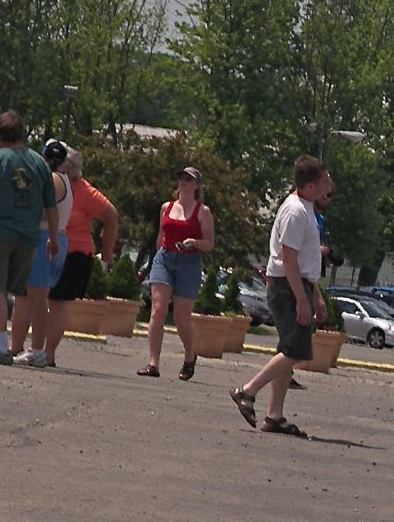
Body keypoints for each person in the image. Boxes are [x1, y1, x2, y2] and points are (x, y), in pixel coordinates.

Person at [230, 157, 329, 437]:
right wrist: (301, 300)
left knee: (286, 350)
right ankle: (247, 391)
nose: (329, 186)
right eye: (325, 181)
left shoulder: (306, 209)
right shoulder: (296, 212)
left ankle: (274, 416)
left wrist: (315, 296)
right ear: (310, 187)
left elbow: (305, 263)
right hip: (287, 288)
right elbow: (289, 259)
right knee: (295, 351)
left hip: (297, 286)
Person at [0, 111, 59, 365]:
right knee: (8, 292)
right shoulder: (40, 164)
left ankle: (0, 346)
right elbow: (51, 207)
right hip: (29, 238)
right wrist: (53, 238)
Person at [35, 144, 119, 368]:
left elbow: (111, 216)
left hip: (75, 253)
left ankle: (48, 353)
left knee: (58, 302)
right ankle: (31, 348)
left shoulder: (84, 191)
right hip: (46, 248)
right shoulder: (49, 184)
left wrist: (107, 253)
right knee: (34, 298)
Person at [140, 166, 214, 379]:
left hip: (189, 263)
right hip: (164, 258)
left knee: (181, 318)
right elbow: (161, 236)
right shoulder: (167, 207)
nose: (184, 181)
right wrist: (157, 258)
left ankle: (190, 355)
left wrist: (194, 242)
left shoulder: (203, 211)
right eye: (181, 177)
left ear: (197, 185)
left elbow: (209, 243)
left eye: (189, 179)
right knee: (158, 310)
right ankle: (153, 364)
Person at [13, 140, 73, 368]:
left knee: (38, 299)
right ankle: (21, 348)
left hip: (45, 239)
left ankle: (37, 350)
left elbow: (39, 210)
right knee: (29, 297)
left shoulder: (53, 180)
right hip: (50, 238)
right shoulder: (61, 179)